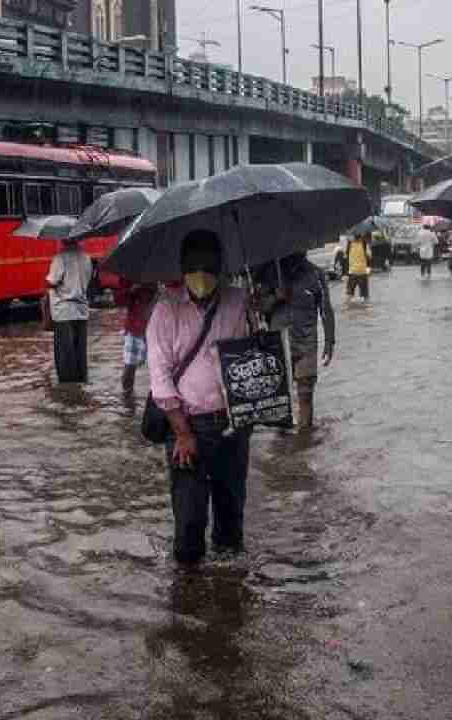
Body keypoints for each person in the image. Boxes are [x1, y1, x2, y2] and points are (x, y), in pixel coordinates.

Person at [146, 229, 252, 565]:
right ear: (182, 269)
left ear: (221, 266)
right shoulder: (165, 311)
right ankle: (188, 596)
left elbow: (251, 358)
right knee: (190, 520)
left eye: (208, 266)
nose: (201, 275)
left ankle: (229, 593)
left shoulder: (239, 301)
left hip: (234, 424)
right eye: (194, 266)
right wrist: (182, 433)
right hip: (188, 426)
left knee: (231, 513)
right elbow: (160, 378)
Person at [256, 253, 335, 429]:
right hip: (278, 346)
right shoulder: (269, 273)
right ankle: (284, 443)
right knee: (280, 398)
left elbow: (326, 309)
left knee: (306, 393)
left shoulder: (315, 274)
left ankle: (304, 441)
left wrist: (330, 341)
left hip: (306, 344)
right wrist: (276, 297)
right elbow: (256, 308)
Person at [46, 237, 94, 383]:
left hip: (63, 311)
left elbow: (51, 281)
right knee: (80, 350)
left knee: (65, 353)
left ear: (64, 240)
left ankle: (68, 386)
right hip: (81, 310)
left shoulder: (60, 258)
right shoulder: (87, 258)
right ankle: (81, 380)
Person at [114, 279, 157, 394]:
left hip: (158, 327)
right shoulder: (130, 275)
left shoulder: (165, 273)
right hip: (135, 327)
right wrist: (132, 290)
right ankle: (127, 400)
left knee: (160, 369)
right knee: (129, 367)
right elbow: (119, 300)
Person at [345, 232, 371, 302]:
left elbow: (346, 255)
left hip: (352, 271)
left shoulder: (349, 243)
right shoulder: (364, 243)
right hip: (362, 271)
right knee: (364, 295)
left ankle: (350, 307)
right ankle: (363, 306)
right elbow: (369, 255)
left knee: (350, 293)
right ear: (361, 236)